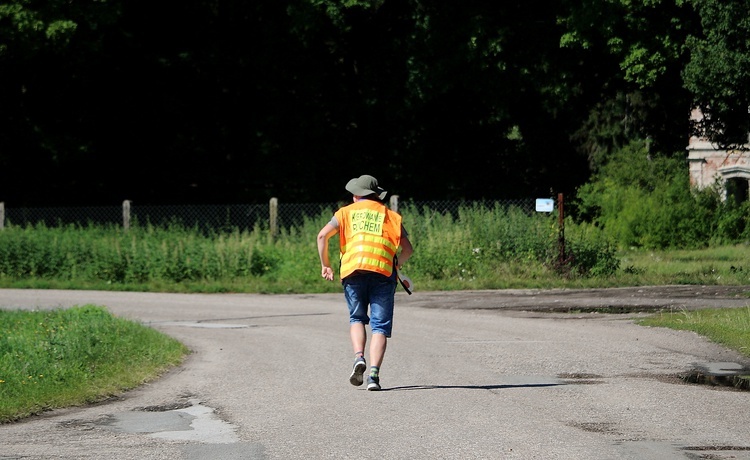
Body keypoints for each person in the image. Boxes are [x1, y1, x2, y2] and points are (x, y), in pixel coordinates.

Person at [317, 174, 413, 391]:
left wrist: (326, 265)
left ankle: (359, 357)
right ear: (376, 195)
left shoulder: (344, 213)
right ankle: (374, 376)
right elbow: (408, 250)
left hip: (353, 271)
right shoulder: (391, 216)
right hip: (382, 273)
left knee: (357, 318)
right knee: (380, 326)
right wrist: (396, 266)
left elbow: (322, 236)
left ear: (356, 195)